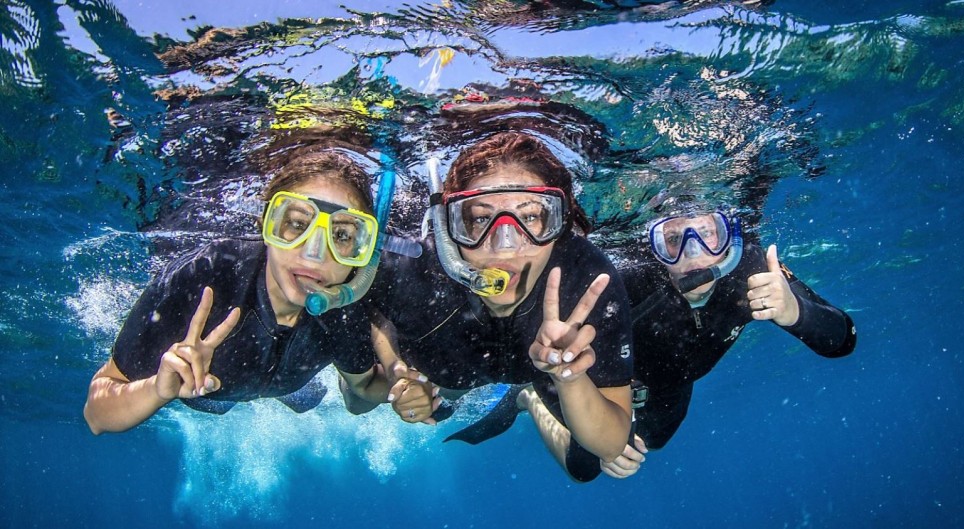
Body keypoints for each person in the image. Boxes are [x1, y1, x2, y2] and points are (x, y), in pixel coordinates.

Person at [83, 119, 395, 434]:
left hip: (285, 383)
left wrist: (404, 388)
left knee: (305, 398)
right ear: (266, 225)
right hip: (211, 391)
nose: (314, 254)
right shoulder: (206, 276)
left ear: (362, 250)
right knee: (212, 403)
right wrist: (157, 390)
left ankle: (287, 391)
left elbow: (366, 386)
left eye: (341, 236)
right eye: (298, 225)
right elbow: (96, 414)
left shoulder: (345, 307)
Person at [366, 131, 634, 482]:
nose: (505, 247)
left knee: (587, 466)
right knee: (438, 400)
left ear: (559, 223)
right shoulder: (418, 265)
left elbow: (611, 443)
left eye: (532, 218)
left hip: (538, 370)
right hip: (451, 369)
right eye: (479, 219)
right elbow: (374, 311)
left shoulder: (585, 278)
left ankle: (527, 397)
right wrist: (396, 369)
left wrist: (570, 377)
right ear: (450, 226)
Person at [597, 208, 857, 478]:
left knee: (655, 441)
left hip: (677, 383)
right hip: (615, 386)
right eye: (673, 240)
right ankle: (546, 413)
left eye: (707, 234)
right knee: (584, 466)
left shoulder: (751, 268)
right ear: (655, 248)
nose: (692, 252)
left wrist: (796, 312)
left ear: (728, 236)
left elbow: (844, 340)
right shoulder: (628, 281)